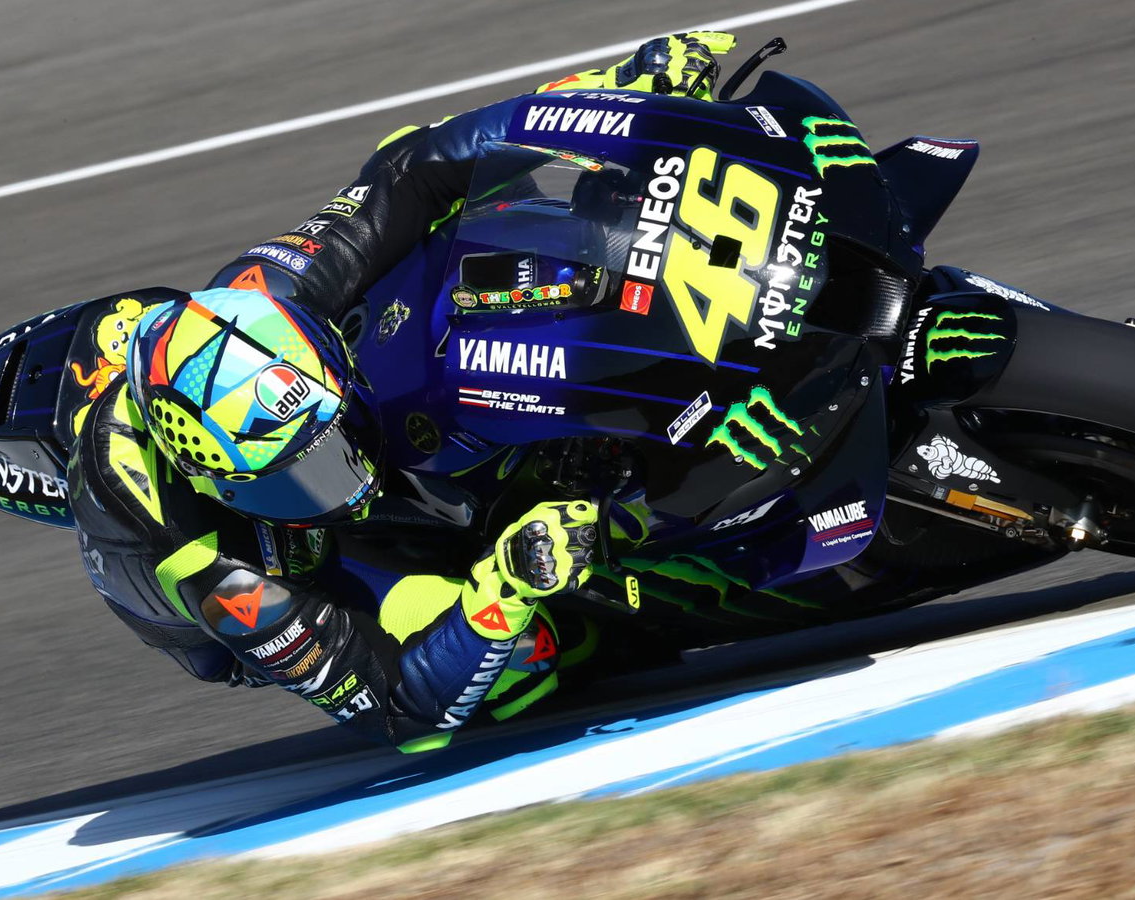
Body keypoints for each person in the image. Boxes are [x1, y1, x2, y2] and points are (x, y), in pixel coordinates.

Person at [69, 34, 739, 752]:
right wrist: (505, 587)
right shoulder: (215, 570)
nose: (350, 484)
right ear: (221, 485)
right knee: (531, 658)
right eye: (301, 479)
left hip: (287, 387)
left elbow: (410, 166)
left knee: (456, 218)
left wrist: (617, 91)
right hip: (304, 560)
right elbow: (399, 713)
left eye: (332, 449)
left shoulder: (274, 290)